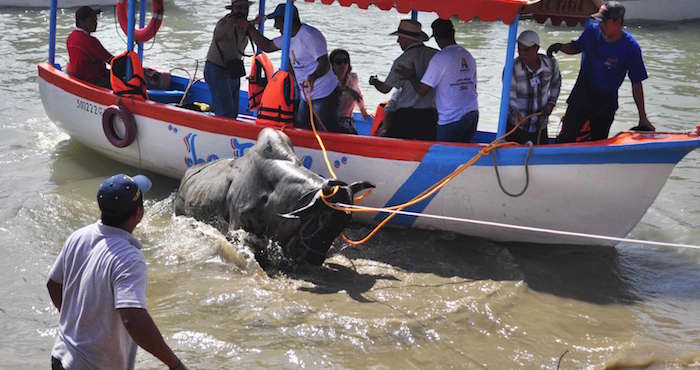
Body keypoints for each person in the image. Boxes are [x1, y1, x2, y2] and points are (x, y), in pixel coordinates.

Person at [47, 174, 189, 370]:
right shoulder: (129, 258)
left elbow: (53, 283)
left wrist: (77, 322)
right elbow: (132, 318)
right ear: (139, 214)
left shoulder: (78, 236)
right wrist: (175, 364)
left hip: (61, 356)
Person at [547, 1, 655, 142]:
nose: (600, 25)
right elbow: (576, 47)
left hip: (605, 103)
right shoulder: (592, 30)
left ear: (617, 22)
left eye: (603, 22)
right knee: (566, 137)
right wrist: (560, 47)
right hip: (581, 95)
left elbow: (636, 83)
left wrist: (643, 117)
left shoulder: (631, 48)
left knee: (598, 141)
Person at [241, 4, 348, 133]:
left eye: (277, 21)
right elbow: (267, 46)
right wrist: (250, 28)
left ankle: (349, 139)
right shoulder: (287, 38)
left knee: (328, 131)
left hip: (325, 93)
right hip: (306, 95)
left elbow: (324, 64)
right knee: (302, 128)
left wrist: (312, 78)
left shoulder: (309, 36)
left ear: (287, 21)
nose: (275, 26)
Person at [398, 19, 479, 143]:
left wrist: (411, 76)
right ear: (453, 33)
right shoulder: (467, 55)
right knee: (461, 155)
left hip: (451, 119)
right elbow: (473, 87)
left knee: (445, 156)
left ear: (436, 37)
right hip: (472, 114)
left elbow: (422, 90)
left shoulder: (440, 58)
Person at [368, 19, 438, 141]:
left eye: (400, 37)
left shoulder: (403, 60)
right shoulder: (436, 55)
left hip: (407, 116)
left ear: (408, 39)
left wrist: (374, 81)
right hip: (431, 116)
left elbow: (385, 89)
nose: (398, 40)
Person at [506, 30, 561, 145]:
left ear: (536, 48)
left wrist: (551, 103)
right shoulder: (512, 68)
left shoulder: (551, 64)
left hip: (540, 126)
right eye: (519, 49)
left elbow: (556, 83)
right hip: (516, 128)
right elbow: (508, 98)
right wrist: (516, 114)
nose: (522, 54)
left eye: (526, 50)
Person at [204, 0, 252, 118]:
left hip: (233, 70)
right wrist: (231, 24)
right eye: (239, 8)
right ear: (232, 9)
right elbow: (218, 36)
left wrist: (254, 23)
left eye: (245, 8)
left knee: (233, 113)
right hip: (217, 70)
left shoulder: (245, 25)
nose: (243, 11)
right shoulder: (224, 23)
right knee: (225, 114)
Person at [66, 6, 113, 88]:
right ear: (81, 22)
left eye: (96, 20)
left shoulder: (71, 37)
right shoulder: (90, 41)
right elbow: (111, 60)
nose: (96, 23)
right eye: (92, 20)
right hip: (93, 80)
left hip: (79, 77)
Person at [330, 49, 371, 134]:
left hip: (347, 119)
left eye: (345, 61)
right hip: (330, 119)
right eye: (338, 62)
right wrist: (347, 90)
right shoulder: (328, 80)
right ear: (332, 65)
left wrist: (363, 111)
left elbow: (358, 95)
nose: (342, 65)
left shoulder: (353, 78)